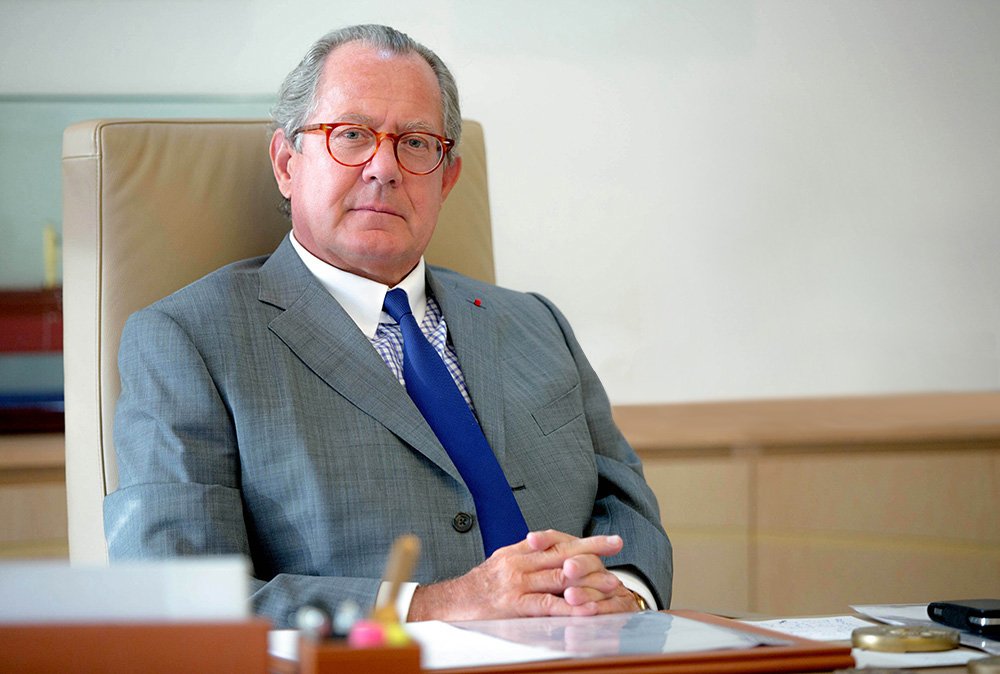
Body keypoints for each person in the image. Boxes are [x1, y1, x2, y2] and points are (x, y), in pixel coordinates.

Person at [104, 24, 672, 628]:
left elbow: (626, 503)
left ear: (446, 179)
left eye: (416, 143)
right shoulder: (188, 340)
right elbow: (177, 598)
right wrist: (436, 605)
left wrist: (624, 592)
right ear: (287, 164)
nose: (384, 167)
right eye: (351, 135)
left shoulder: (536, 322)